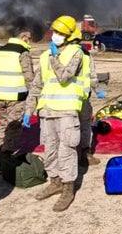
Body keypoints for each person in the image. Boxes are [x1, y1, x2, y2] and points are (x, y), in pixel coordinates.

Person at [24, 15, 85, 212]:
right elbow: (36, 85)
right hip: (47, 111)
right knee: (49, 149)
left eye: (61, 33)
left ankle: (68, 187)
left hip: (67, 111)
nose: (56, 35)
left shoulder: (77, 54)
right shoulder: (44, 56)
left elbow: (65, 77)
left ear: (69, 35)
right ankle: (55, 181)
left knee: (66, 150)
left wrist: (54, 58)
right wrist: (29, 110)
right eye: (55, 32)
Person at [0, 31, 35, 160]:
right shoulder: (22, 52)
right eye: (29, 38)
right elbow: (29, 76)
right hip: (17, 96)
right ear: (23, 37)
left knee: (2, 123)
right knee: (13, 126)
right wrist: (33, 95)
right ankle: (6, 154)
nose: (29, 41)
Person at [72, 28, 105, 166]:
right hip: (81, 98)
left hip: (57, 100)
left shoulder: (52, 54)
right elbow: (92, 76)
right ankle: (85, 154)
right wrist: (98, 90)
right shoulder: (85, 55)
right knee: (85, 126)